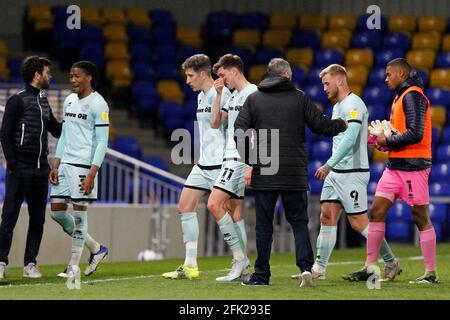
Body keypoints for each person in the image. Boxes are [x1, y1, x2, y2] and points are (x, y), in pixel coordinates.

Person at [234, 58, 347, 287]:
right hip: (294, 173)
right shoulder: (299, 98)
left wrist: (251, 159)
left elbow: (239, 130)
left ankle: (262, 275)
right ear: (286, 76)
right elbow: (320, 125)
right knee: (298, 223)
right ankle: (305, 268)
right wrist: (342, 125)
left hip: (265, 171)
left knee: (264, 225)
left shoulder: (254, 99)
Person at [289, 64, 400, 282]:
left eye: (326, 83)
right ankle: (318, 269)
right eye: (322, 84)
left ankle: (391, 262)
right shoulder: (338, 106)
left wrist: (329, 163)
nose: (324, 88)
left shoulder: (354, 104)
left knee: (358, 222)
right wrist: (332, 167)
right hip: (337, 172)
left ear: (340, 81)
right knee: (327, 216)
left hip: (352, 172)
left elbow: (350, 139)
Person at [344, 58, 437, 284]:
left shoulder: (413, 95)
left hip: (414, 167)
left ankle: (430, 273)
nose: (385, 79)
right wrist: (383, 143)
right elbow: (401, 134)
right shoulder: (399, 97)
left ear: (401, 75)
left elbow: (415, 133)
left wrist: (389, 138)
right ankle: (370, 266)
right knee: (376, 211)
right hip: (394, 167)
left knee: (420, 217)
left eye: (389, 74)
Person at [162, 54, 231, 279]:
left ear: (203, 74)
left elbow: (227, 127)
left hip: (222, 163)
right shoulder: (201, 96)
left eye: (191, 76)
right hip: (203, 164)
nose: (187, 81)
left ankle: (241, 261)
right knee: (184, 206)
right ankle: (190, 265)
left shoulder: (222, 94)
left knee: (230, 213)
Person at [0, 56, 62, 279]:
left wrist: (77, 122)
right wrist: (13, 164)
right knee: (9, 218)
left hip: (40, 171)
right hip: (20, 170)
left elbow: (56, 130)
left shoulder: (44, 102)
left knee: (38, 220)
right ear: (37, 75)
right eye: (48, 72)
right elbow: (5, 134)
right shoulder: (17, 100)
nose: (51, 76)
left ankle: (30, 264)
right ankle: (1, 262)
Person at [49, 61, 109, 287]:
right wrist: (56, 162)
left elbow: (102, 142)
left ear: (89, 77)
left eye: (76, 76)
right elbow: (64, 134)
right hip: (65, 165)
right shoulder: (69, 100)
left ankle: (73, 265)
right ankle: (96, 248)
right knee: (56, 212)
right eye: (71, 76)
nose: (72, 80)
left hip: (84, 166)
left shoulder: (99, 104)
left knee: (80, 214)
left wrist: (93, 172)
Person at [206, 54, 256, 282]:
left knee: (214, 204)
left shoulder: (252, 93)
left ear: (234, 71)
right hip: (229, 157)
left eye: (223, 75)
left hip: (239, 159)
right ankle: (242, 267)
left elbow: (259, 130)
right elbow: (215, 122)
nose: (221, 80)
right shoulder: (232, 95)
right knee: (233, 210)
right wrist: (218, 95)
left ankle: (240, 259)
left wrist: (251, 164)